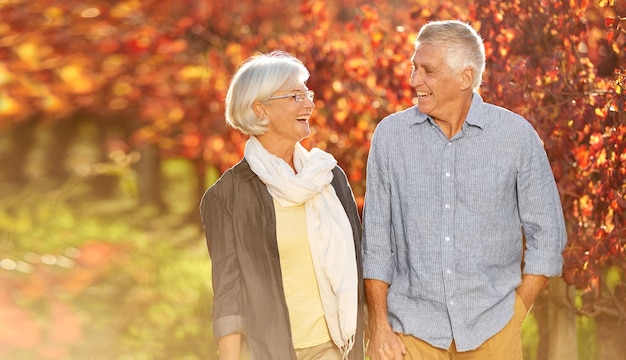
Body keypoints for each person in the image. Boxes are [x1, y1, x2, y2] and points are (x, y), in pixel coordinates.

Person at [361, 20, 567, 360]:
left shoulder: (516, 137)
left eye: (428, 70)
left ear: (465, 78)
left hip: (493, 331)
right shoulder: (390, 137)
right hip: (410, 335)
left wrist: (516, 313)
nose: (415, 80)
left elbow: (548, 236)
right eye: (414, 68)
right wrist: (379, 327)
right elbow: (377, 245)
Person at [199, 50, 364, 360]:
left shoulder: (328, 177)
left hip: (336, 347)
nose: (310, 104)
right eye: (295, 96)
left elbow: (360, 262)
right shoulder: (227, 197)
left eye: (307, 94)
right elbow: (228, 293)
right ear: (260, 110)